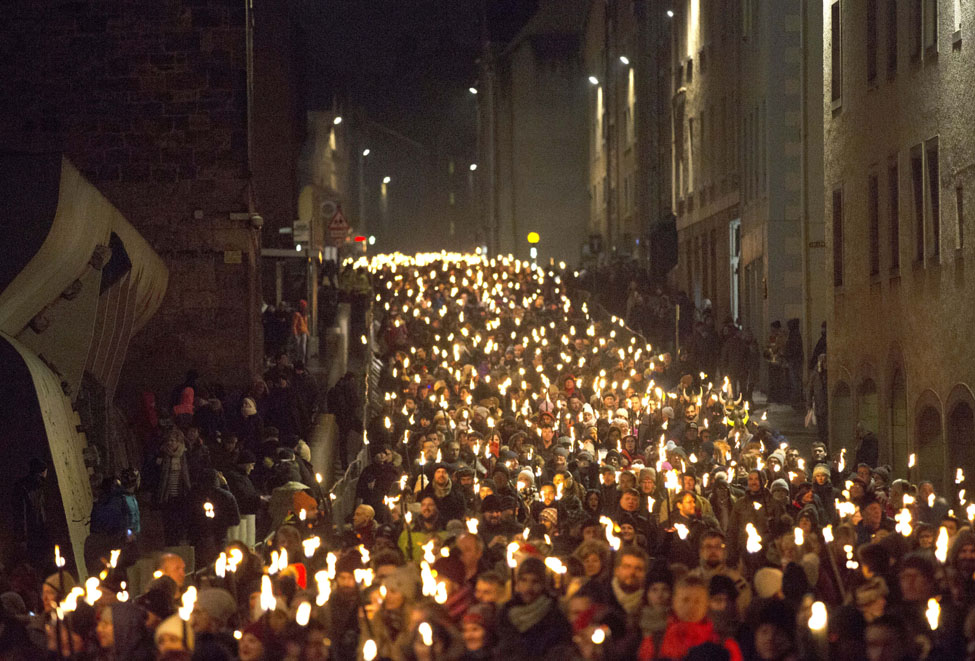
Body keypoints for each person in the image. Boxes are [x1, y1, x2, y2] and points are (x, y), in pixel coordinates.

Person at [496, 557, 572, 658]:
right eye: (524, 580)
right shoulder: (505, 613)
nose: (528, 588)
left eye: (535, 582)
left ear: (543, 584)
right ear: (517, 583)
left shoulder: (554, 615)